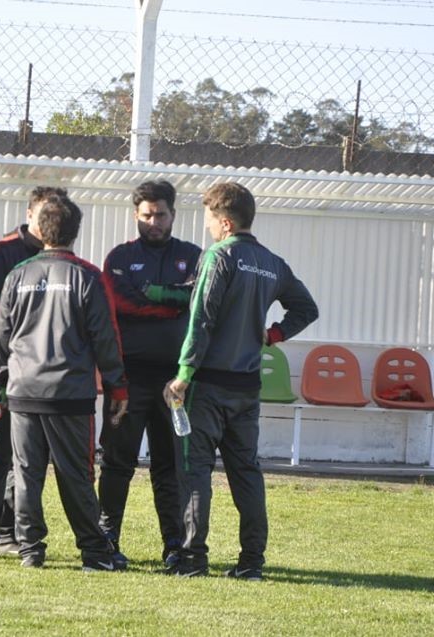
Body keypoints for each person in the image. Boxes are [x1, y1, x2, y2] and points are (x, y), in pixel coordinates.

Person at [164, 182, 318, 579]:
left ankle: (193, 561)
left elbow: (201, 320)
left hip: (207, 386)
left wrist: (183, 374)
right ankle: (251, 563)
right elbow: (307, 308)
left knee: (196, 470)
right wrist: (274, 334)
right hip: (247, 386)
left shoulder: (218, 256)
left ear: (226, 223)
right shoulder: (272, 263)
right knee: (246, 472)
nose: (208, 228)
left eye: (210, 221)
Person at [0, 193, 129, 571]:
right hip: (69, 394)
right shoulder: (87, 276)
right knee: (77, 476)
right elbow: (106, 336)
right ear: (75, 231)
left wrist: (5, 381)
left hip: (23, 391)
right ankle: (94, 552)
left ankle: (30, 550)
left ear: (40, 230)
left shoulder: (17, 275)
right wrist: (118, 387)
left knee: (26, 474)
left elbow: (2, 335)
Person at [97, 179, 201, 570]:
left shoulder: (193, 256)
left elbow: (196, 298)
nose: (154, 223)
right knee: (116, 462)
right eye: (147, 215)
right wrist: (170, 301)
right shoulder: (120, 256)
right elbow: (120, 302)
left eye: (160, 215)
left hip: (175, 382)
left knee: (169, 466)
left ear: (173, 214)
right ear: (135, 215)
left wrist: (151, 293)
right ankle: (107, 540)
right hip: (127, 379)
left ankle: (174, 544)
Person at [0, 186, 67, 560]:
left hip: (40, 372)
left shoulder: (61, 259)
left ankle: (10, 532)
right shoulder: (1, 253)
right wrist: (22, 340)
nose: (48, 221)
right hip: (1, 366)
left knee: (28, 456)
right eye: (43, 213)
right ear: (29, 213)